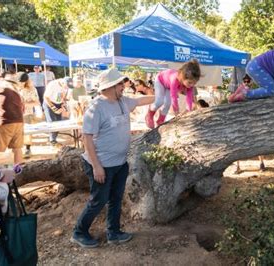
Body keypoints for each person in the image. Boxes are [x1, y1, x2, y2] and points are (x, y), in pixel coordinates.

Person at [71, 68, 154, 248]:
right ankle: (79, 232)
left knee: (115, 199)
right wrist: (96, 166)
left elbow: (140, 100)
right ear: (110, 86)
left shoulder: (123, 101)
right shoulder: (96, 108)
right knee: (98, 200)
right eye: (120, 84)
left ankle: (113, 232)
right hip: (102, 164)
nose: (124, 86)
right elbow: (87, 138)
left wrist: (160, 95)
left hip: (120, 163)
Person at [145, 59, 201, 128]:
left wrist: (188, 110)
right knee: (159, 101)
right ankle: (149, 114)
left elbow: (189, 98)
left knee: (167, 104)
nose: (192, 85)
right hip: (160, 80)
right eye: (190, 82)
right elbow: (173, 97)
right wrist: (176, 112)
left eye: (194, 83)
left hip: (168, 86)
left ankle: (160, 120)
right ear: (183, 76)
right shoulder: (174, 79)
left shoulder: (190, 85)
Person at [0, 73, 24, 165]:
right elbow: (23, 108)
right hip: (19, 122)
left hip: (5, 122)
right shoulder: (16, 93)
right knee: (17, 149)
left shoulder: (0, 89)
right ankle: (19, 172)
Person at [15, 72, 40, 158]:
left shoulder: (32, 89)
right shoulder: (13, 87)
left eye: (22, 82)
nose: (20, 84)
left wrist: (22, 103)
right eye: (19, 82)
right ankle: (17, 150)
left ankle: (27, 149)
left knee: (27, 133)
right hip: (14, 114)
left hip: (27, 114)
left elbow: (36, 102)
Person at [42, 77, 74, 145]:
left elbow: (62, 96)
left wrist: (62, 105)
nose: (67, 88)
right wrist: (54, 108)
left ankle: (52, 138)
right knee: (52, 122)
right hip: (49, 103)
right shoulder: (52, 84)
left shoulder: (65, 87)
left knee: (58, 123)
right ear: (63, 83)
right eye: (67, 86)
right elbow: (46, 97)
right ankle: (52, 140)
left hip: (58, 103)